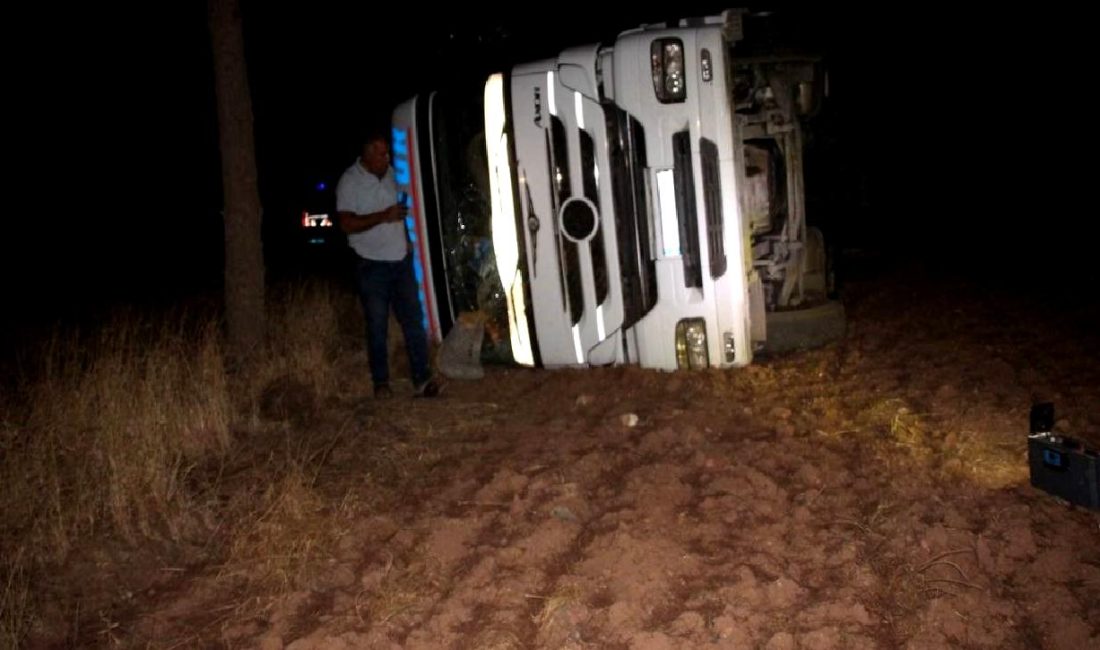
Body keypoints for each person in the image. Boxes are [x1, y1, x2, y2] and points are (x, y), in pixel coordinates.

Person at [336, 129, 442, 398]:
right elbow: (346, 223)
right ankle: (381, 383)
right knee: (377, 325)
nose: (387, 158)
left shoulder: (393, 175)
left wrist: (406, 237)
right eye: (382, 153)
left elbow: (403, 209)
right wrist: (384, 216)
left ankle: (422, 379)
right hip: (372, 265)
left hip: (400, 261)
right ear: (368, 155)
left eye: (387, 153)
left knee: (413, 321)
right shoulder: (350, 182)